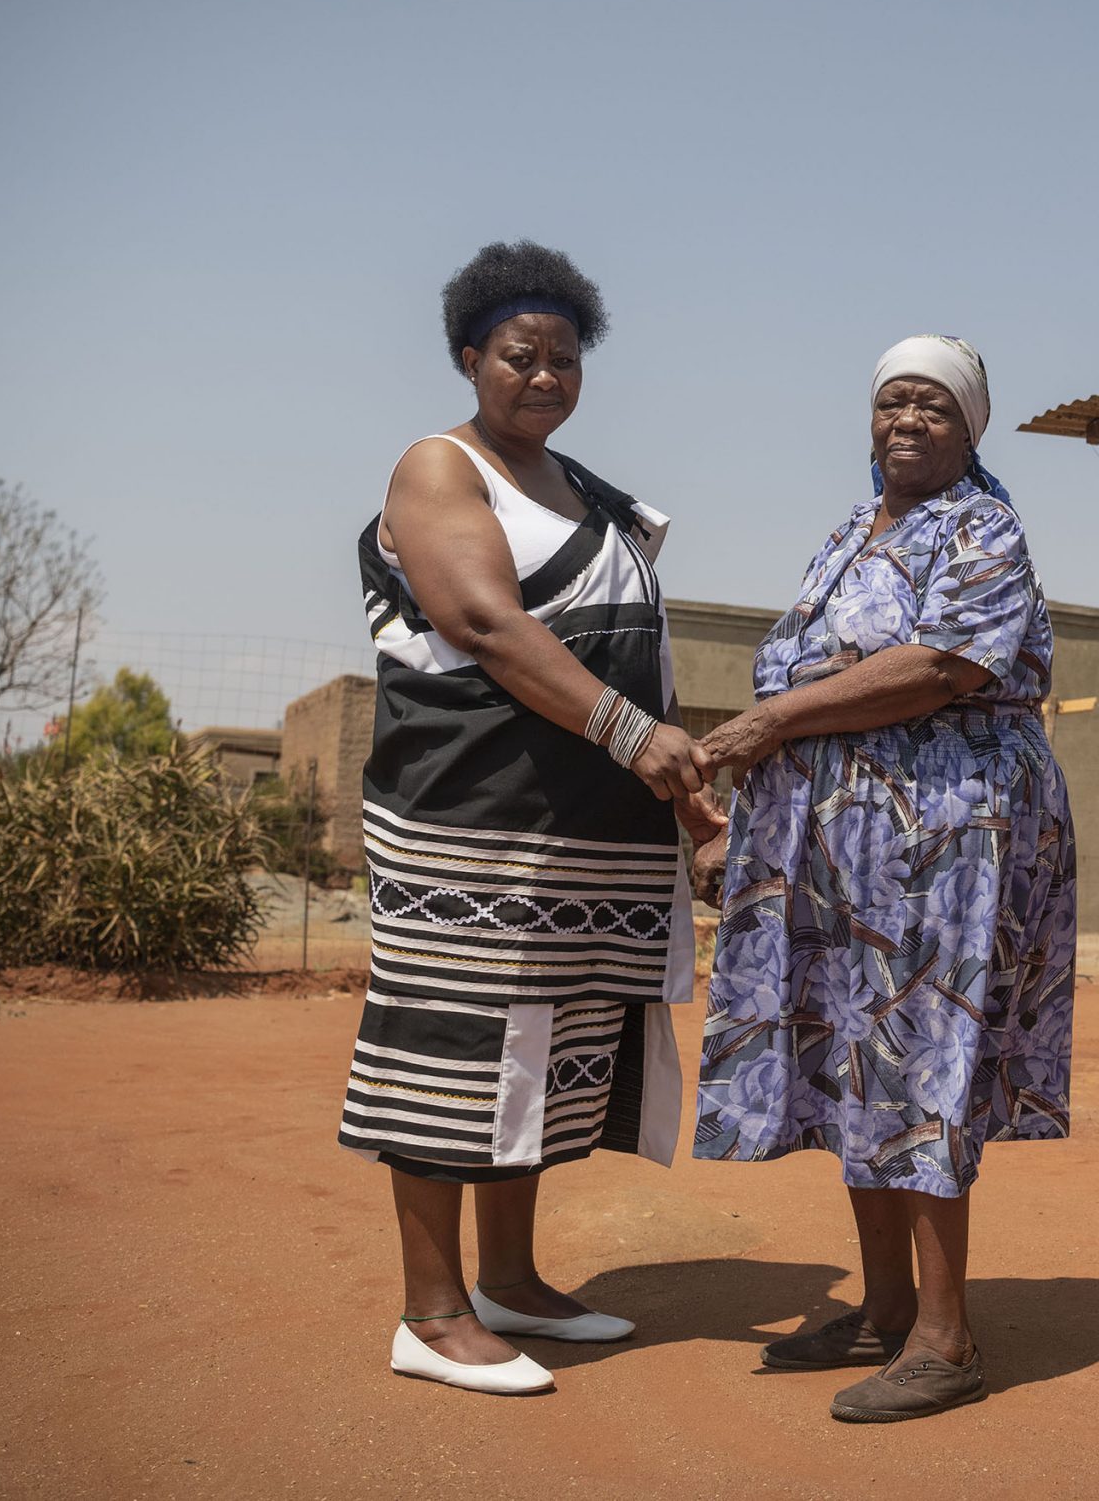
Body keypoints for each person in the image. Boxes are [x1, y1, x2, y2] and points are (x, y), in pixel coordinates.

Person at [338, 240, 721, 1395]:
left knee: (542, 1049)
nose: (544, 376)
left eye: (564, 358)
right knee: (449, 1051)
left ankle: (508, 1279)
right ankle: (430, 1311)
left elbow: (636, 664)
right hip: (472, 819)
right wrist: (633, 737)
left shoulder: (587, 490)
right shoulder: (439, 468)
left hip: (587, 829)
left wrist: (686, 795)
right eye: (519, 355)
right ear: (471, 359)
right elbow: (488, 624)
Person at [690, 335, 1077, 1424]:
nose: (909, 421)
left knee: (919, 1054)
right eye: (892, 403)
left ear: (971, 429)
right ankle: (886, 1306)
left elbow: (937, 668)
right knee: (853, 1052)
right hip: (843, 836)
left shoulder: (983, 528)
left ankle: (947, 1341)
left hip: (944, 833)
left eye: (935, 408)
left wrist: (768, 722)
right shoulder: (851, 533)